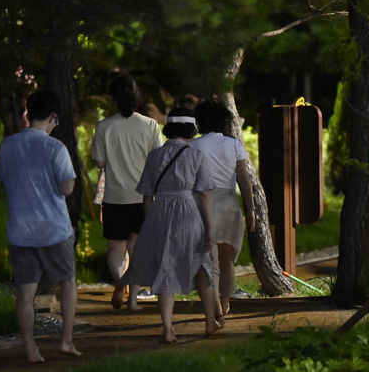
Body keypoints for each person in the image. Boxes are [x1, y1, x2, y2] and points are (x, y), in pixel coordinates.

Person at [121, 107, 220, 343]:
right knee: (202, 267)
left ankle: (167, 329)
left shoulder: (154, 156)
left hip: (160, 211)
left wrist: (152, 221)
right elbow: (204, 195)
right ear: (190, 129)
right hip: (188, 211)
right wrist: (210, 228)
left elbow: (146, 196)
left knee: (165, 269)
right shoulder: (196, 156)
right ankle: (209, 322)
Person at [0, 90, 81, 363]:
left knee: (25, 291)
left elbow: (2, 182)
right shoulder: (55, 148)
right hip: (54, 229)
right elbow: (67, 188)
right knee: (67, 283)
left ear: (27, 113)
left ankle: (31, 349)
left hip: (20, 230)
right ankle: (66, 341)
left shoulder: (7, 146)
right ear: (53, 117)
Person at [92, 73, 163, 310]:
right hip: (144, 197)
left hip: (115, 196)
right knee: (136, 249)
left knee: (116, 249)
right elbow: (159, 159)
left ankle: (119, 283)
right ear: (136, 96)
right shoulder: (150, 125)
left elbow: (100, 162)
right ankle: (133, 301)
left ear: (113, 98)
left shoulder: (104, 126)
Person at [191, 101, 255, 317]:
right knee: (227, 260)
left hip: (203, 204)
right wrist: (251, 210)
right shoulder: (234, 145)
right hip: (229, 204)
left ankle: (214, 305)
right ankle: (225, 302)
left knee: (210, 260)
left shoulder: (193, 146)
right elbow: (244, 180)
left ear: (200, 122)